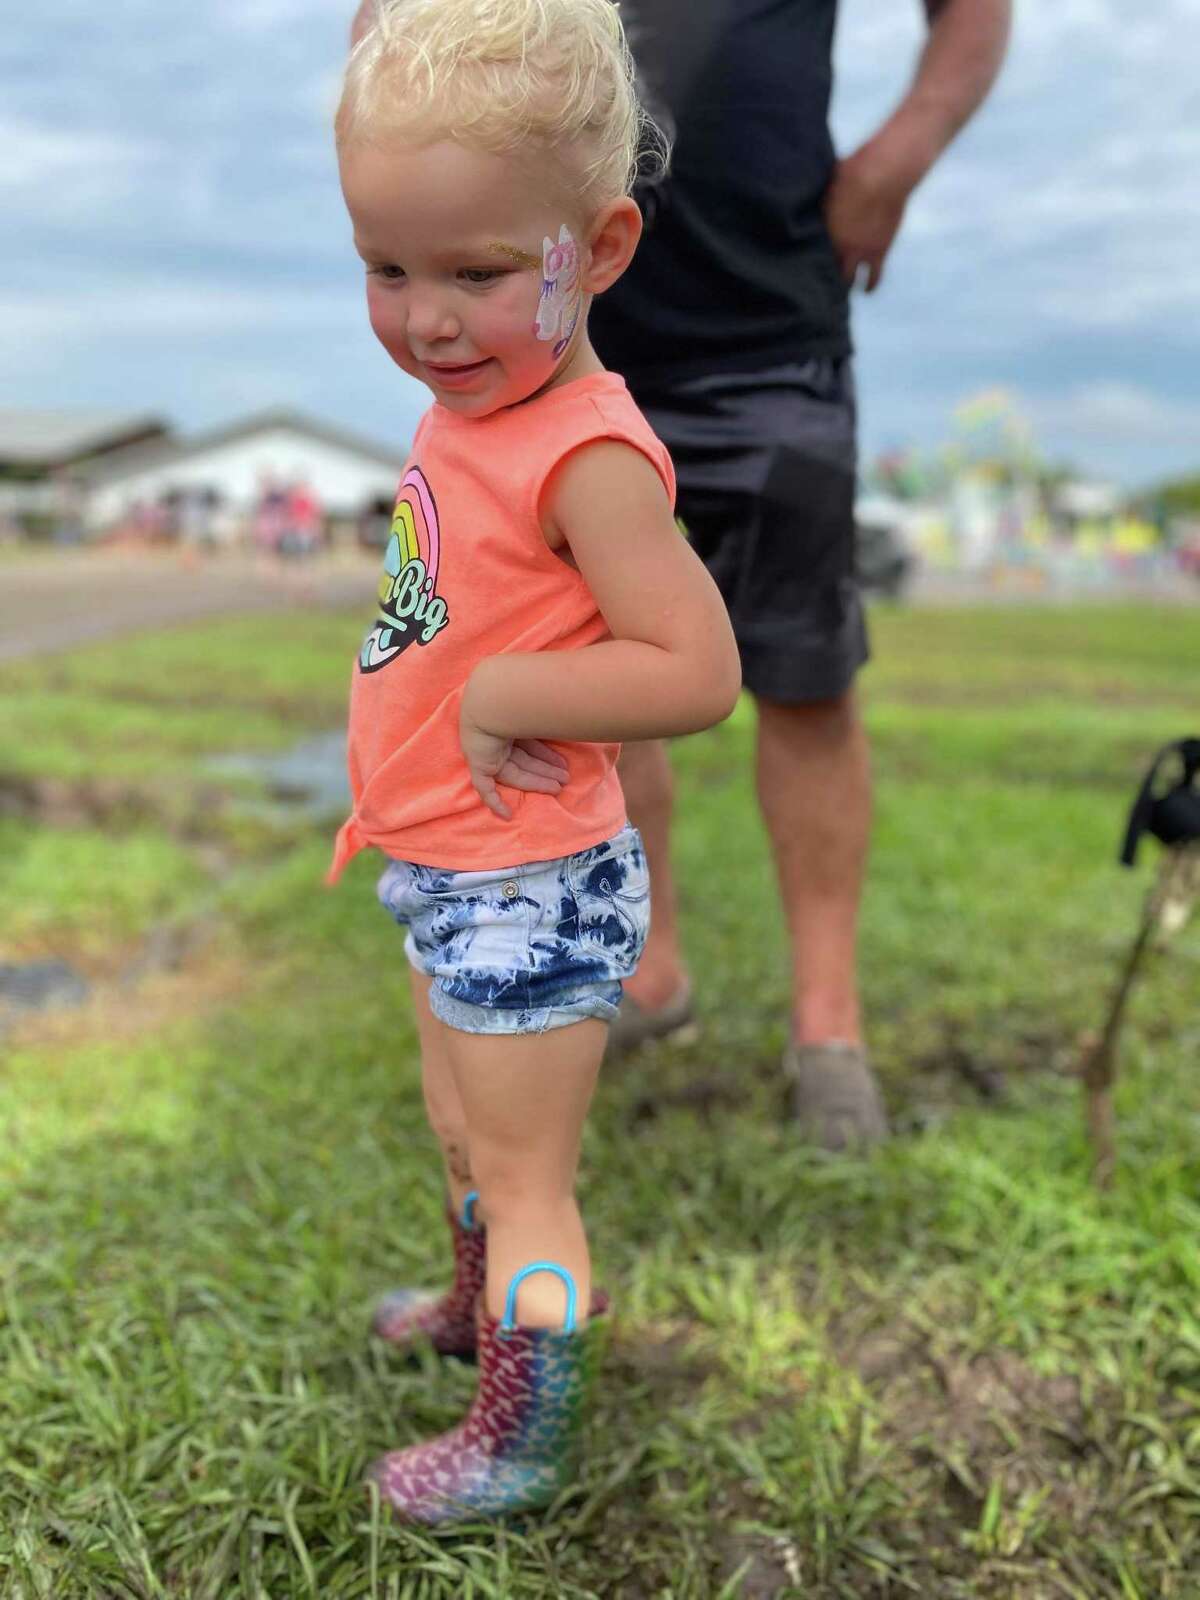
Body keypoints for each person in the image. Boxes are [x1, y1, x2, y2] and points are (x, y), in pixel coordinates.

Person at [332, 0, 740, 1525]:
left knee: (526, 1179)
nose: (428, 318)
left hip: (533, 885)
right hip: (449, 866)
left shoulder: (588, 452)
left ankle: (518, 1433)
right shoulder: (471, 406)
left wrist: (508, 684)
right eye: (388, 268)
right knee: (460, 1124)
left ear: (600, 249)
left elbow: (698, 670)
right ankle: (472, 1314)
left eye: (480, 275)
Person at [587, 0, 1012, 1149]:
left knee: (808, 678)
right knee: (593, 678)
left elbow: (973, 12)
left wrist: (897, 158)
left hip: (771, 322)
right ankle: (647, 971)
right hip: (562, 322)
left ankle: (829, 1026)